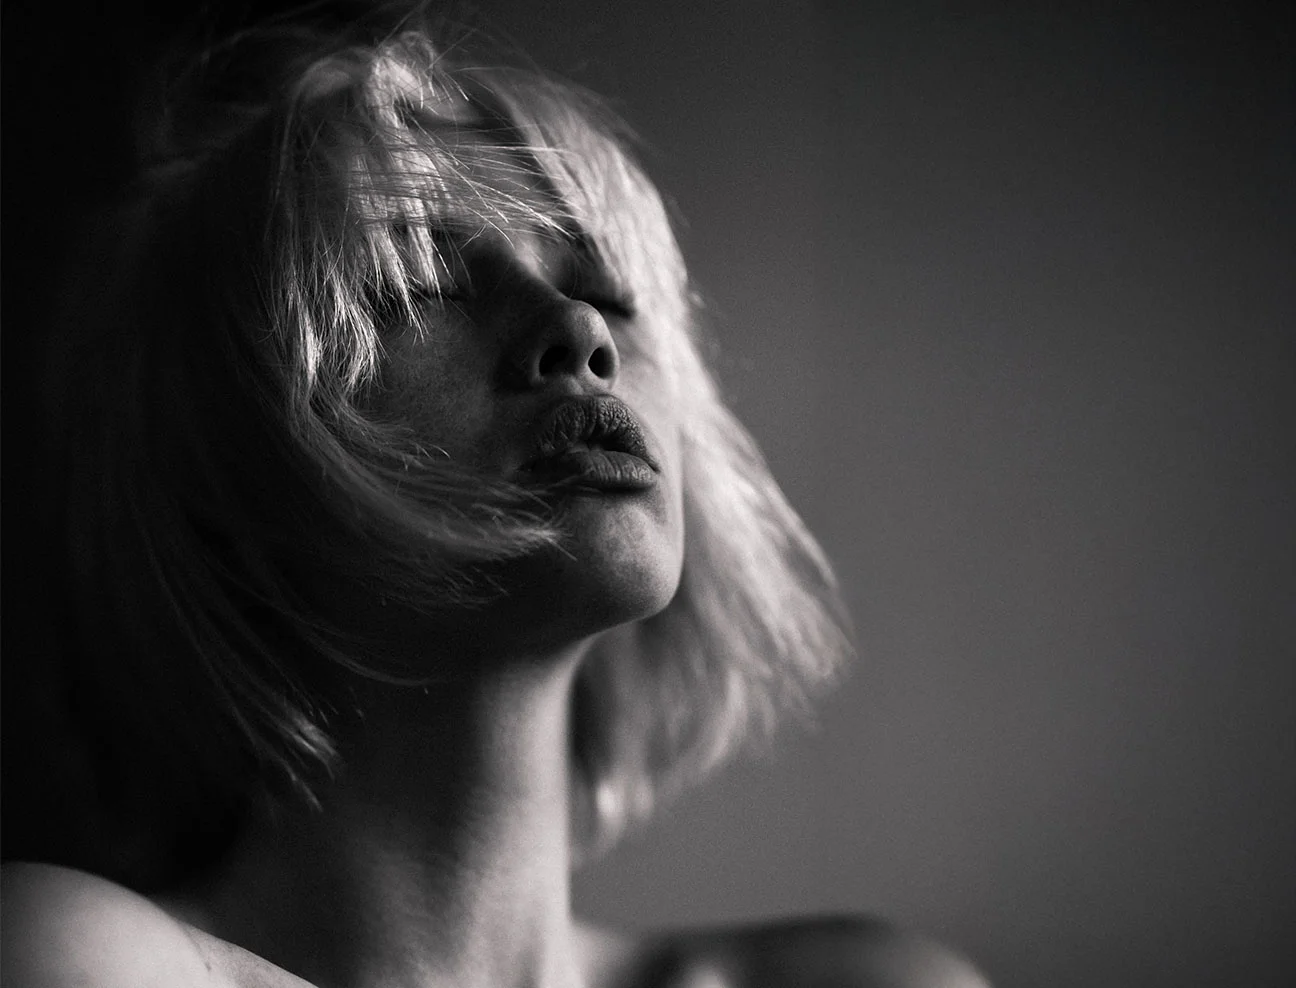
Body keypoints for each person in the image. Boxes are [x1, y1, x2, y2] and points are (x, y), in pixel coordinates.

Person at [0, 4, 990, 985]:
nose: (576, 330)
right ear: (221, 473)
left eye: (607, 292)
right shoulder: (78, 957)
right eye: (423, 283)